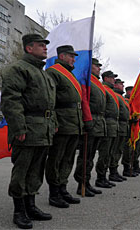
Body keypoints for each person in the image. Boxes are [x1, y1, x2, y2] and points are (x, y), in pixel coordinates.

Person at [1, 34, 55, 229]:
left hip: (43, 129)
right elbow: (11, 100)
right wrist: (18, 127)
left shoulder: (43, 73)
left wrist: (53, 123)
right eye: (41, 45)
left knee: (36, 170)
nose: (45, 48)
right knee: (22, 170)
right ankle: (19, 210)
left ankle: (31, 206)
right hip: (28, 128)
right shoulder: (18, 69)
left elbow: (50, 105)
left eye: (45, 45)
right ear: (29, 48)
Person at [45, 45, 81, 208]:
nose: (74, 59)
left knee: (68, 158)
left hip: (74, 122)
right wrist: (54, 122)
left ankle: (62, 187)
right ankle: (54, 192)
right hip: (62, 121)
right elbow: (50, 100)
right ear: (62, 56)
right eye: (71, 56)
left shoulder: (70, 75)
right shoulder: (53, 72)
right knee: (56, 158)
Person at [74, 58, 105, 197]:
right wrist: (87, 121)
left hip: (97, 122)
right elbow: (84, 101)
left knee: (90, 156)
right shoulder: (86, 81)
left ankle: (86, 183)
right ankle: (81, 183)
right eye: (96, 66)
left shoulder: (96, 83)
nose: (99, 68)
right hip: (90, 120)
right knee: (85, 156)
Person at [95, 70, 119, 188]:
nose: (114, 79)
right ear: (105, 78)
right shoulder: (104, 89)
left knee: (110, 153)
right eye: (111, 77)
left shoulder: (111, 91)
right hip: (107, 124)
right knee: (104, 153)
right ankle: (100, 178)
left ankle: (104, 176)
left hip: (112, 125)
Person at [109, 78, 130, 182]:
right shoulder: (115, 96)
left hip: (123, 126)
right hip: (117, 125)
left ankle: (115, 171)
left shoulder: (120, 97)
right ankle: (111, 172)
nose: (122, 86)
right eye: (121, 84)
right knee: (114, 150)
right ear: (116, 85)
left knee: (119, 150)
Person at [121, 86, 138, 177]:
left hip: (128, 127)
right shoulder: (126, 101)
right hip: (123, 127)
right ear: (128, 92)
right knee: (124, 150)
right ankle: (125, 169)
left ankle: (129, 168)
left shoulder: (130, 102)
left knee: (130, 149)